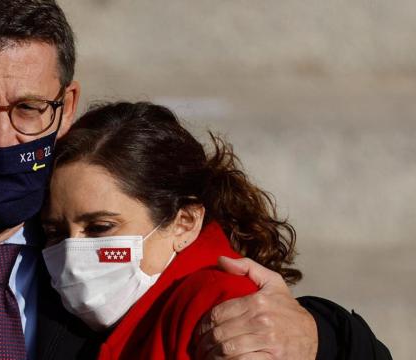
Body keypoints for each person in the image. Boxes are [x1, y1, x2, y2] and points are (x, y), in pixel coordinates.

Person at [0, 0, 390, 359]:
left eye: (29, 108)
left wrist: (321, 340)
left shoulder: (121, 250)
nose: (3, 139)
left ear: (67, 106)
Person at [40, 101, 298, 358]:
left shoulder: (227, 315)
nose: (72, 256)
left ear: (184, 223)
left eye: (100, 227)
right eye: (56, 232)